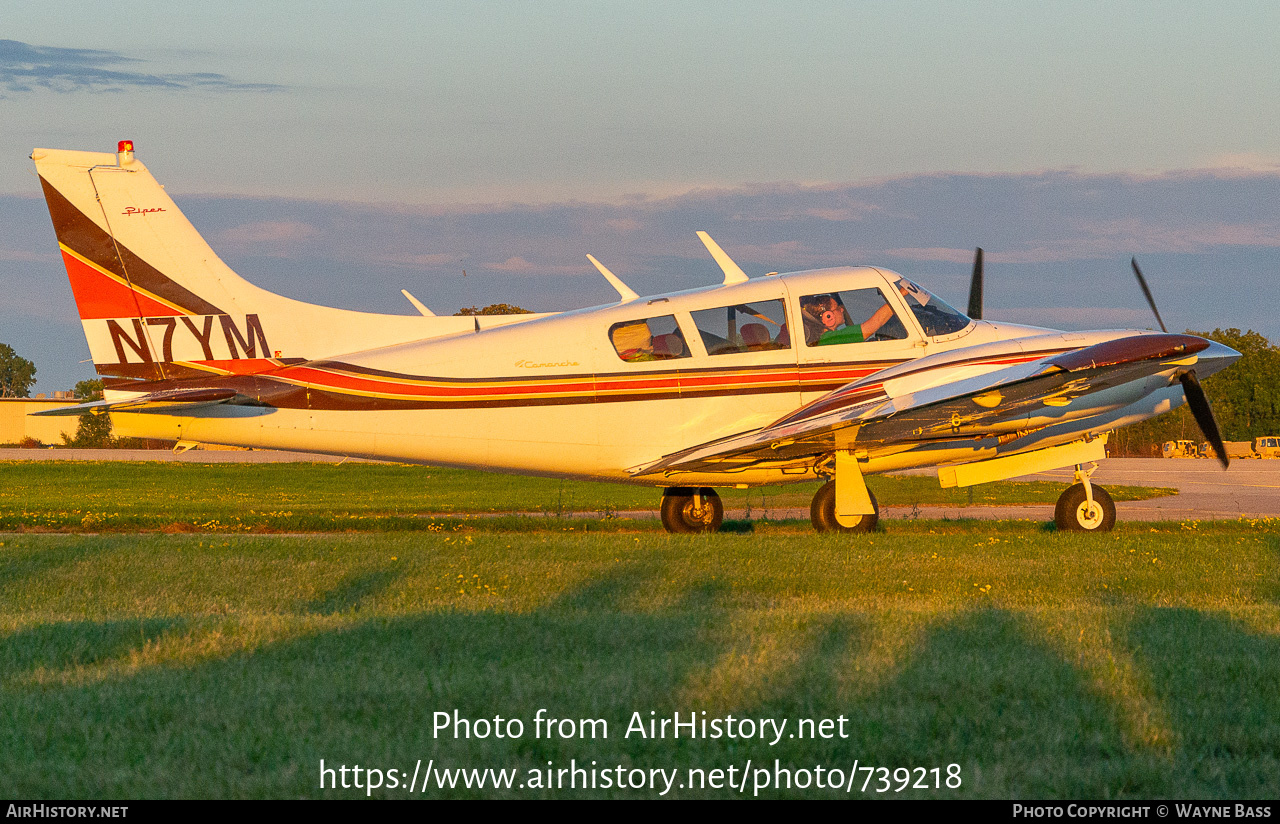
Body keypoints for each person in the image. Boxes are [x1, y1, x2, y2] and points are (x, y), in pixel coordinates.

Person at [801, 293, 896, 346]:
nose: (842, 310)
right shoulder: (831, 339)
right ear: (828, 317)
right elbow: (877, 321)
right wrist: (900, 295)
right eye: (838, 308)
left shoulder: (824, 338)